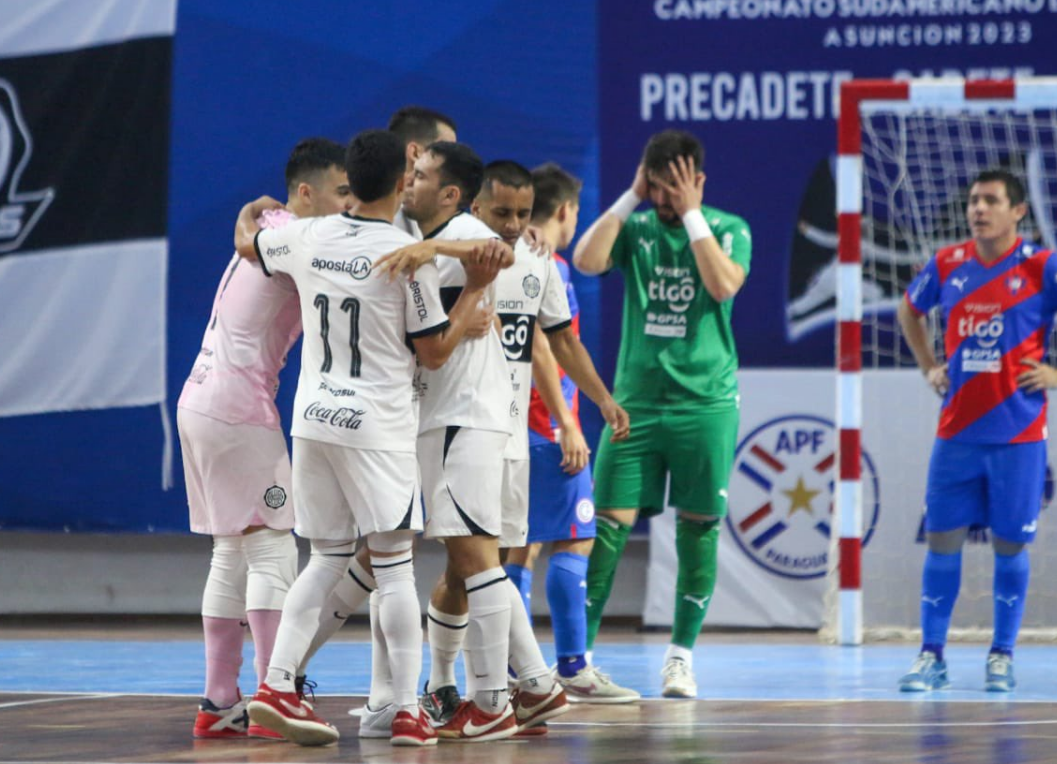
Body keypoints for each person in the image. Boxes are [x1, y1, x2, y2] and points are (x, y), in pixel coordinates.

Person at [234, 129, 503, 747]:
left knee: (325, 557)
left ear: (350, 181)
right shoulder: (403, 253)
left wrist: (248, 218)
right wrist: (476, 297)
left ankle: (276, 683)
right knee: (394, 566)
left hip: (313, 417)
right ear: (403, 183)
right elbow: (434, 352)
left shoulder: (307, 234)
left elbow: (252, 246)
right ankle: (406, 709)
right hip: (376, 426)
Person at [378, 141, 564, 741]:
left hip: (462, 416)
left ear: (452, 193)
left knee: (473, 557)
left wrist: (433, 250)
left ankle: (508, 693)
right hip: (465, 417)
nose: (412, 181)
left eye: (424, 175)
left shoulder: (455, 231)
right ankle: (519, 688)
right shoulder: (426, 229)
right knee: (471, 558)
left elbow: (495, 253)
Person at [177, 137, 352, 740]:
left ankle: (220, 701)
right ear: (306, 194)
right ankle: (277, 697)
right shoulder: (301, 238)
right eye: (341, 192)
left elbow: (256, 223)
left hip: (197, 402)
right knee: (275, 547)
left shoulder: (273, 222)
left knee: (233, 550)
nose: (350, 203)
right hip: (237, 411)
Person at [573, 129, 751, 698]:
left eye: (677, 186)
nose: (666, 198)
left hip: (705, 405)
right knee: (604, 529)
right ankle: (578, 663)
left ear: (697, 179)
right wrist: (630, 199)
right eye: (658, 187)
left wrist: (693, 215)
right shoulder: (638, 226)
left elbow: (723, 287)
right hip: (636, 406)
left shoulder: (729, 228)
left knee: (699, 529)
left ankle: (679, 658)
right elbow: (586, 258)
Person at [896, 169, 1057, 693]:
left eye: (991, 200)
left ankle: (1002, 655)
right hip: (958, 433)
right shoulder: (948, 264)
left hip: (1019, 437)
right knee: (942, 539)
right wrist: (928, 367)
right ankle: (931, 655)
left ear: (1018, 212)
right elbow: (909, 309)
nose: (978, 209)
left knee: (1011, 546)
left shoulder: (1042, 267)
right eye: (972, 200)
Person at [502, 162, 640, 704]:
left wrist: (595, 404)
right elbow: (544, 344)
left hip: (511, 426)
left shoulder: (510, 254)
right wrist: (567, 422)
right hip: (543, 424)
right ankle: (573, 668)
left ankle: (511, 668)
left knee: (518, 549)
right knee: (574, 538)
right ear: (565, 212)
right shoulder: (549, 266)